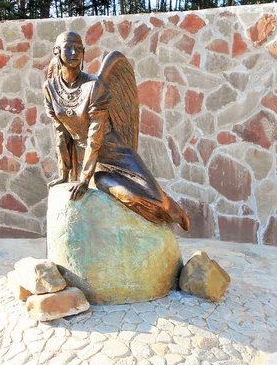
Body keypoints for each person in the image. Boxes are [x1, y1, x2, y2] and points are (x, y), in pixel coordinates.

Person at [43, 31, 190, 231]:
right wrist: (64, 174)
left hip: (117, 153)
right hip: (99, 166)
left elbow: (96, 136)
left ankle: (172, 209)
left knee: (158, 201)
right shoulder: (50, 88)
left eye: (79, 48)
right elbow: (61, 133)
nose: (74, 52)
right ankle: (154, 220)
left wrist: (84, 179)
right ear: (57, 51)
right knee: (122, 192)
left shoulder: (94, 86)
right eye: (68, 47)